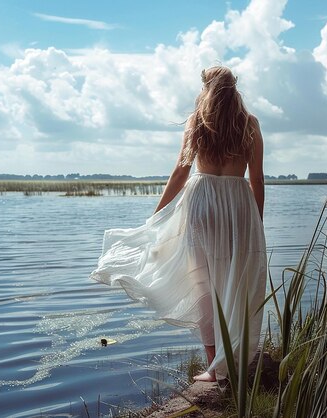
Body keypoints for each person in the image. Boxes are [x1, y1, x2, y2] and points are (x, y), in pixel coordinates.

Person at [90, 66, 267, 382]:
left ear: (207, 88)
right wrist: (258, 223)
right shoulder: (249, 124)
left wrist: (155, 218)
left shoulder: (197, 123)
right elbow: (256, 178)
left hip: (202, 205)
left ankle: (214, 369)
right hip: (238, 205)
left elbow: (180, 172)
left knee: (203, 286)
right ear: (234, 88)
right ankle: (236, 362)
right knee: (236, 282)